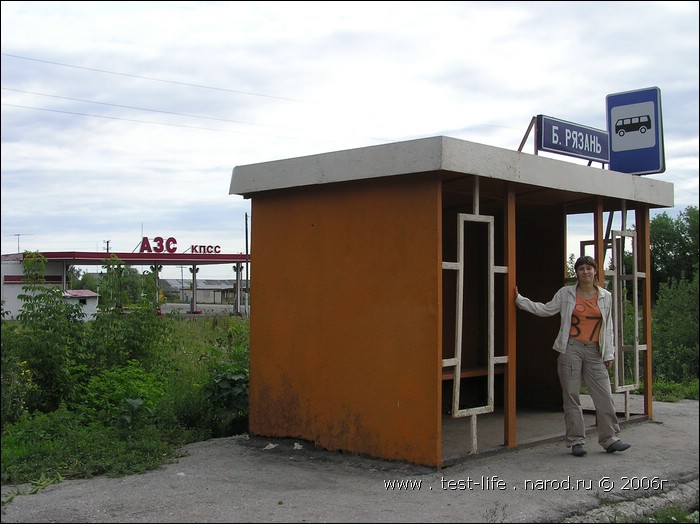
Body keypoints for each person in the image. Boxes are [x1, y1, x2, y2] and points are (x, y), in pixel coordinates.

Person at [514, 255, 631, 457]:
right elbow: (545, 309)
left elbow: (608, 326)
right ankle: (576, 440)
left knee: (604, 396)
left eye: (589, 268)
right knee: (571, 395)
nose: (585, 272)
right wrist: (519, 300)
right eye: (581, 269)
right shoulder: (566, 293)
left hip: (595, 350)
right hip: (571, 348)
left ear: (595, 271)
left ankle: (609, 438)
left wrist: (609, 353)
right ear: (576, 273)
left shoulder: (605, 296)